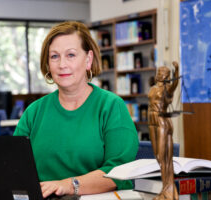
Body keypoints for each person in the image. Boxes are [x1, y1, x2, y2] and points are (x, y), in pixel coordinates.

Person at [13, 21, 139, 198]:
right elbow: (14, 165)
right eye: (54, 56)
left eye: (70, 55)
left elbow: (118, 172)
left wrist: (68, 185)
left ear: (88, 59)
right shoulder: (34, 112)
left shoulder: (111, 107)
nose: (62, 64)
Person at [148, 61, 179, 200]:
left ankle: (168, 189)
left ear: (167, 76)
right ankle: (165, 188)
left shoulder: (167, 88)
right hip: (151, 120)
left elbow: (175, 85)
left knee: (163, 155)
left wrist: (176, 71)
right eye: (159, 72)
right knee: (157, 155)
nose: (160, 74)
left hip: (161, 121)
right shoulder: (153, 88)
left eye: (163, 73)